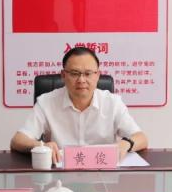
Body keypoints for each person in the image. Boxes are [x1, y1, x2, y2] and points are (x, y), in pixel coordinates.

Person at [10, 47, 148, 163]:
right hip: (60, 177)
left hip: (102, 177)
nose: (81, 80)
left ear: (97, 75)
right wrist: (42, 145)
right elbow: (17, 140)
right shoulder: (46, 102)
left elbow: (141, 138)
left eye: (88, 73)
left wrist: (125, 144)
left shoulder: (113, 103)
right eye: (75, 73)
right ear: (63, 75)